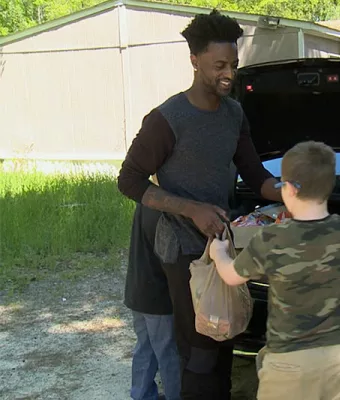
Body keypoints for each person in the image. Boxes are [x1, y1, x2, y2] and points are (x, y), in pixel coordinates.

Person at [117, 9, 282, 399]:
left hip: (219, 245)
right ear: (194, 61)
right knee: (198, 349)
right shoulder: (167, 118)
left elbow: (256, 176)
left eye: (234, 65)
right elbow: (129, 181)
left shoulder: (233, 113)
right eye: (219, 66)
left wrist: (292, 191)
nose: (229, 74)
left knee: (223, 336)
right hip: (180, 249)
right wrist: (192, 209)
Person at [208, 141, 340, 400]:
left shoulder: (272, 238)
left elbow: (231, 276)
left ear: (290, 190)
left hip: (291, 364)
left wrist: (218, 253)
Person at [124, 202, 181, 400]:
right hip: (158, 294)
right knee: (168, 353)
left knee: (145, 347)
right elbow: (170, 257)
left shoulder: (145, 200)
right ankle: (175, 396)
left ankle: (141, 394)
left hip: (138, 288)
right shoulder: (165, 208)